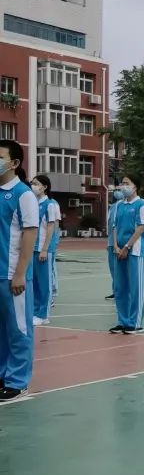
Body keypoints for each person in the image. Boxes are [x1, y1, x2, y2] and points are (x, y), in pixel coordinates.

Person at [0, 139, 38, 400]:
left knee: (18, 329)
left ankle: (17, 380)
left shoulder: (23, 194)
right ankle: (3, 373)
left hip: (12, 274)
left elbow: (30, 233)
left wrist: (21, 273)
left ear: (14, 163)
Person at [110, 176, 144, 334]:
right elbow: (114, 227)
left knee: (136, 288)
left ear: (135, 187)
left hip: (135, 251)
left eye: (127, 183)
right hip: (119, 251)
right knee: (120, 287)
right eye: (122, 183)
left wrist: (127, 247)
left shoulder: (142, 205)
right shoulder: (119, 205)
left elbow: (140, 228)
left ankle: (135, 322)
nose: (123, 186)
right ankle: (122, 321)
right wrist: (116, 246)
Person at [30, 174, 60, 326]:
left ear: (45, 187)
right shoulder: (34, 204)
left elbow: (50, 227)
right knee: (34, 282)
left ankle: (44, 314)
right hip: (32, 248)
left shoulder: (50, 205)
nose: (33, 186)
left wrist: (44, 249)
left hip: (43, 249)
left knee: (44, 283)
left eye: (36, 183)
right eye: (32, 183)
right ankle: (36, 312)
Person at [105, 184, 122, 299]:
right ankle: (116, 290)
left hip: (119, 243)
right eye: (116, 190)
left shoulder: (123, 205)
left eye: (119, 190)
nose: (117, 192)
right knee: (113, 269)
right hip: (111, 242)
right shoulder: (112, 207)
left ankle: (121, 291)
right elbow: (110, 225)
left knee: (119, 269)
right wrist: (109, 243)